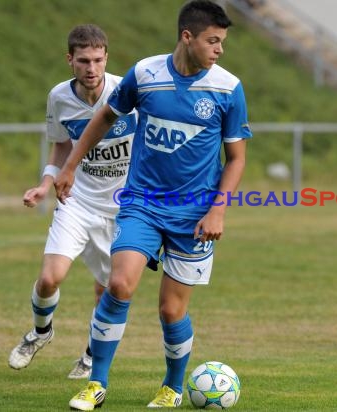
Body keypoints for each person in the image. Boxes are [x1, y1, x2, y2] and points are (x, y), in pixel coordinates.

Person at [55, 1, 252, 409]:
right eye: (212, 41)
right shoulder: (145, 74)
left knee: (170, 310)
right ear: (187, 37)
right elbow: (105, 117)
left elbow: (236, 159)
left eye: (222, 42)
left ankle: (173, 387)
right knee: (119, 284)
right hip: (142, 202)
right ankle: (96, 384)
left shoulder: (228, 88)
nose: (219, 50)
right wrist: (70, 165)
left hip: (194, 215)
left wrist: (218, 210)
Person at [8, 24, 136, 378]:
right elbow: (62, 144)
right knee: (50, 278)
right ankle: (39, 332)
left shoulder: (127, 91)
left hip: (124, 209)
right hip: (77, 200)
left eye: (97, 60)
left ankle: (91, 355)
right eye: (83, 61)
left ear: (106, 58)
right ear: (70, 60)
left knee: (108, 290)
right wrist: (45, 183)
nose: (91, 68)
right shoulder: (59, 97)